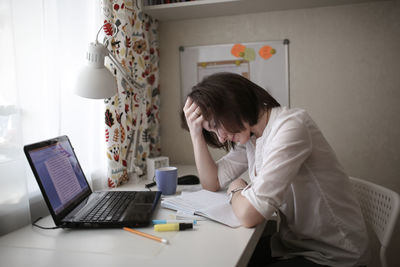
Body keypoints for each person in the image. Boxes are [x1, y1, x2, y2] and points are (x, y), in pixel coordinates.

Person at [181, 72, 369, 267]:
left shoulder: (290, 126)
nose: (220, 138)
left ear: (233, 104)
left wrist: (236, 189)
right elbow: (212, 182)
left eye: (216, 125)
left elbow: (249, 215)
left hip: (334, 255)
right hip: (294, 245)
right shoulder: (252, 137)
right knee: (218, 256)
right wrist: (196, 134)